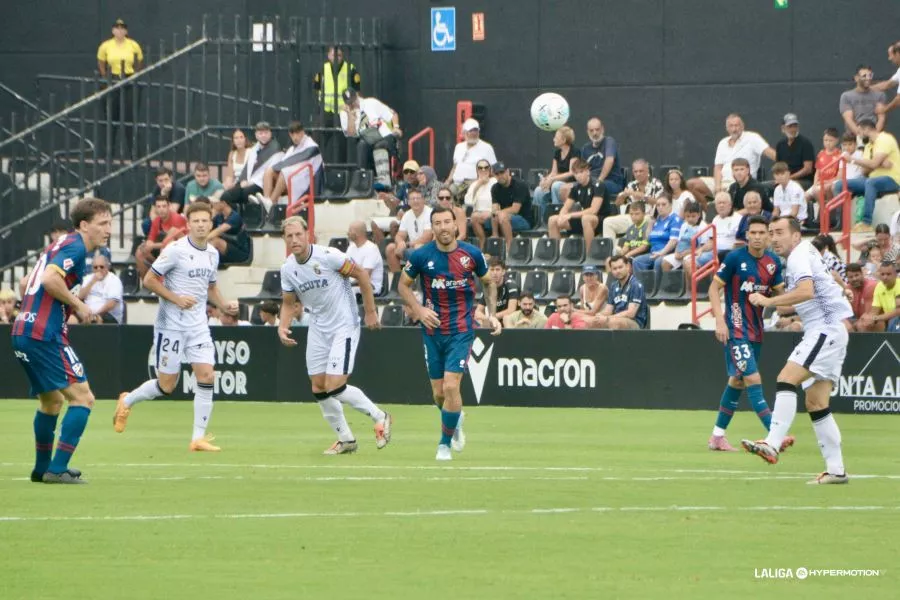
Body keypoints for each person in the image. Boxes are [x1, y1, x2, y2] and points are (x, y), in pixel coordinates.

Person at [113, 202, 237, 452]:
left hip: (198, 326)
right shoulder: (175, 250)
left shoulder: (212, 254)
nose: (201, 225)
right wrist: (177, 298)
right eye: (196, 221)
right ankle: (128, 400)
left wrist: (224, 306)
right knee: (166, 385)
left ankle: (197, 438)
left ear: (211, 223)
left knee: (207, 376)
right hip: (171, 326)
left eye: (205, 220)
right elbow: (149, 280)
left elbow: (210, 287)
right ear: (188, 224)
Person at [744, 216, 854, 485]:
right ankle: (836, 470)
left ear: (796, 236)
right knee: (816, 403)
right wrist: (770, 299)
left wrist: (768, 300)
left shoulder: (798, 254)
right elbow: (798, 299)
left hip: (825, 328)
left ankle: (773, 442)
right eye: (772, 233)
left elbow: (806, 290)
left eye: (780, 232)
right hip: (828, 329)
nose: (774, 237)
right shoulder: (802, 255)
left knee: (786, 378)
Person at [11, 198, 112, 484]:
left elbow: (26, 282)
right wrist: (77, 305)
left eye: (110, 222)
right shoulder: (75, 246)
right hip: (44, 334)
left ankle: (43, 468)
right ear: (84, 225)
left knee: (52, 401)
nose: (109, 229)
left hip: (23, 329)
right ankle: (57, 469)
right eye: (102, 223)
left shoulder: (60, 245)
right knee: (83, 398)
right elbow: (48, 280)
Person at [277, 216, 392, 454]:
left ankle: (381, 416)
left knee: (335, 385)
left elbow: (361, 275)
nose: (294, 239)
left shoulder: (328, 256)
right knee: (319, 387)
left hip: (344, 324)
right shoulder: (288, 269)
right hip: (319, 327)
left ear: (308, 234)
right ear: (284, 239)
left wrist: (370, 312)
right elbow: (288, 303)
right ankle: (346, 439)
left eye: (298, 234)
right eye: (289, 236)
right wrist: (282, 325)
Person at [398, 206, 501, 461]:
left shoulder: (471, 254)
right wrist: (419, 310)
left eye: (447, 222)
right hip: (432, 330)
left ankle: (444, 444)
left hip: (462, 330)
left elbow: (488, 281)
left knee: (451, 385)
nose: (443, 227)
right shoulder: (422, 255)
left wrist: (492, 314)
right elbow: (403, 285)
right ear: (432, 228)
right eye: (437, 223)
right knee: (439, 394)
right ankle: (455, 421)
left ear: (456, 225)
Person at [706, 216, 788, 452]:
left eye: (763, 232)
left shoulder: (774, 263)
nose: (758, 237)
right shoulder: (734, 258)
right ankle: (775, 435)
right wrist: (720, 321)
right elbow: (714, 287)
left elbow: (781, 300)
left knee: (737, 381)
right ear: (747, 235)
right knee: (752, 378)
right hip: (735, 329)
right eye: (753, 232)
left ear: (768, 235)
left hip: (757, 331)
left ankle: (717, 437)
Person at [687, 113, 775, 207]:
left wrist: (785, 168)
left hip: (741, 184)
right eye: (731, 126)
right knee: (691, 184)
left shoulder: (752, 138)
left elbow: (771, 153)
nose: (734, 129)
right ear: (727, 128)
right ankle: (707, 213)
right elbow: (718, 168)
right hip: (721, 182)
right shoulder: (722, 142)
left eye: (736, 125)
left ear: (742, 126)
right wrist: (717, 186)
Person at [833, 117, 900, 233]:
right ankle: (841, 223)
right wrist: (879, 163)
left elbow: (873, 164)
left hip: (892, 180)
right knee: (839, 185)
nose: (859, 135)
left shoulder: (885, 139)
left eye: (860, 132)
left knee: (870, 182)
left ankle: (866, 223)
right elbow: (865, 171)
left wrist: (853, 160)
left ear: (866, 129)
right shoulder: (868, 146)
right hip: (872, 179)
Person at [253, 121, 324, 212]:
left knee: (284, 172)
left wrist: (279, 169)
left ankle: (271, 201)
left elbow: (290, 162)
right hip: (293, 179)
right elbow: (283, 163)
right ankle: (266, 201)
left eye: (297, 133)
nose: (295, 137)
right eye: (292, 134)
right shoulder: (291, 149)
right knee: (269, 171)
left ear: (302, 132)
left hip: (308, 182)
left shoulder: (312, 147)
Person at [96, 19, 143, 155]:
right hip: (113, 78)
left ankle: (134, 154)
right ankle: (108, 153)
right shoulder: (106, 45)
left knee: (130, 117)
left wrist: (136, 74)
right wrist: (105, 76)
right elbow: (101, 61)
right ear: (113, 30)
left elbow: (140, 60)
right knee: (111, 117)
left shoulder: (133, 44)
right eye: (117, 28)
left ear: (126, 31)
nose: (120, 30)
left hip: (128, 78)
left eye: (122, 28)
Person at [340, 89, 400, 186]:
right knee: (361, 146)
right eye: (350, 103)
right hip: (365, 139)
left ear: (357, 96)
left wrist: (396, 127)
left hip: (383, 135)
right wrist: (350, 116)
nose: (353, 104)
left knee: (380, 145)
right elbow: (350, 134)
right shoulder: (344, 113)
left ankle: (385, 182)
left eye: (354, 101)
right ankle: (363, 181)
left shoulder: (371, 103)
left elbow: (393, 114)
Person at [313, 45, 361, 163]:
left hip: (343, 112)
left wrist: (352, 109)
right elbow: (316, 87)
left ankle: (341, 170)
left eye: (339, 55)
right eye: (334, 55)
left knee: (341, 144)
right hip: (326, 111)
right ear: (328, 56)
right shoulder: (322, 69)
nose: (336, 58)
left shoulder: (350, 68)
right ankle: (317, 165)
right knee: (318, 140)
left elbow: (356, 91)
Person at [548, 158, 607, 249]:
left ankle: (589, 255)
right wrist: (561, 216)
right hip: (583, 218)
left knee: (586, 219)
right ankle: (555, 255)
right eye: (576, 173)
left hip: (601, 220)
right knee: (553, 220)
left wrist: (570, 215)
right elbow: (566, 207)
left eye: (581, 172)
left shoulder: (598, 185)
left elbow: (594, 210)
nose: (578, 176)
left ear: (587, 172)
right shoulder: (576, 188)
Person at [220, 122, 282, 208]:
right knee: (225, 196)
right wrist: (242, 181)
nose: (263, 135)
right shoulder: (255, 148)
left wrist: (250, 182)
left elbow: (268, 172)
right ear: (256, 135)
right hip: (249, 182)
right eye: (260, 133)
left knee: (239, 194)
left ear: (270, 133)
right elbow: (247, 169)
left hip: (262, 185)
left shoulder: (275, 149)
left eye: (266, 133)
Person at [591, 255, 649, 330]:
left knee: (615, 323)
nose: (618, 271)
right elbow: (608, 310)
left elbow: (631, 313)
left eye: (620, 267)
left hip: (635, 322)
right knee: (591, 321)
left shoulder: (636, 285)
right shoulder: (613, 286)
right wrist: (599, 315)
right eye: (614, 269)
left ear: (628, 266)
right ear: (611, 270)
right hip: (615, 318)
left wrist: (607, 318)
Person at [533, 125, 578, 221]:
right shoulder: (557, 153)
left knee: (556, 186)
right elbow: (553, 172)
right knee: (538, 190)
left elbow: (572, 173)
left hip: (572, 184)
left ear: (564, 139)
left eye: (556, 137)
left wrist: (552, 180)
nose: (553, 139)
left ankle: (557, 216)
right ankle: (542, 221)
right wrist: (546, 180)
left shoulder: (575, 151)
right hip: (557, 181)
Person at [135, 196, 187, 279]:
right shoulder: (156, 220)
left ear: (169, 206)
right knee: (140, 252)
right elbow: (150, 240)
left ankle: (162, 282)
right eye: (158, 207)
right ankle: (147, 283)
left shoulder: (177, 219)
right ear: (155, 208)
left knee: (167, 248)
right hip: (162, 251)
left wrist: (152, 246)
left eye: (164, 206)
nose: (161, 209)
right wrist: (147, 246)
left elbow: (168, 243)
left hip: (181, 253)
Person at [446, 118, 497, 200]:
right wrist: (447, 181)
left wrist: (481, 181)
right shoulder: (458, 147)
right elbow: (455, 166)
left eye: (476, 130)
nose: (474, 133)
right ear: (464, 133)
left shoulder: (487, 147)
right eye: (471, 131)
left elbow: (493, 169)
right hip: (457, 184)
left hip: (476, 184)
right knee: (445, 195)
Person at [488, 162, 534, 251]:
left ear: (508, 171)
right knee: (477, 218)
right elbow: (495, 208)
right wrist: (496, 213)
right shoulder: (495, 188)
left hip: (524, 219)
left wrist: (499, 212)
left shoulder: (520, 185)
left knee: (502, 216)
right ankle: (492, 241)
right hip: (504, 218)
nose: (500, 176)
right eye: (497, 174)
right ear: (494, 175)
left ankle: (510, 247)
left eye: (502, 172)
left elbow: (515, 209)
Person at [385, 189, 433, 272]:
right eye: (412, 199)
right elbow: (400, 235)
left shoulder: (430, 213)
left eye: (418, 198)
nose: (415, 201)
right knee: (390, 248)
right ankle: (398, 279)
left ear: (423, 200)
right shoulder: (407, 215)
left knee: (417, 249)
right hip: (412, 248)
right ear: (408, 202)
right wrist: (400, 243)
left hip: (427, 248)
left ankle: (415, 280)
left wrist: (407, 245)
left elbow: (427, 237)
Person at [632, 195, 682, 272]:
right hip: (653, 253)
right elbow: (648, 239)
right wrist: (650, 224)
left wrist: (661, 253)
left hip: (668, 253)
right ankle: (642, 284)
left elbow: (673, 241)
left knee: (659, 262)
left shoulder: (675, 219)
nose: (660, 207)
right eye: (658, 205)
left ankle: (658, 284)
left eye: (663, 204)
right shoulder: (657, 220)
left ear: (670, 205)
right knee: (637, 261)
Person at [839, 65, 886, 138]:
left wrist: (873, 135)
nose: (868, 78)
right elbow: (848, 119)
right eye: (864, 76)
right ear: (856, 78)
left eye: (870, 75)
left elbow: (881, 118)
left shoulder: (880, 95)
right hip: (853, 140)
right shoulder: (846, 96)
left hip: (875, 137)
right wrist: (861, 136)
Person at [662, 201, 708, 273]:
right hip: (682, 253)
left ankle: (688, 284)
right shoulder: (684, 225)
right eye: (687, 216)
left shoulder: (703, 226)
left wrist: (686, 253)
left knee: (687, 262)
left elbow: (702, 247)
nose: (690, 219)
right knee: (665, 262)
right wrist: (677, 252)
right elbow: (679, 242)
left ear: (699, 215)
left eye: (693, 216)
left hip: (696, 253)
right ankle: (671, 284)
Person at [77, 253, 123, 324]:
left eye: (101, 267)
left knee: (96, 321)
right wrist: (92, 281)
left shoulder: (114, 280)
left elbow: (111, 304)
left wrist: (95, 315)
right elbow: (80, 297)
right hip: (87, 314)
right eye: (95, 267)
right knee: (71, 318)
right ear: (92, 268)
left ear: (107, 267)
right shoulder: (88, 278)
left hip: (108, 314)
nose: (98, 269)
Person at [773, 113, 815, 189]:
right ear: (783, 128)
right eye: (790, 126)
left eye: (795, 126)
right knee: (764, 187)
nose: (793, 129)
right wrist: (780, 178)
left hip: (804, 181)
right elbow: (778, 167)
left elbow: (808, 169)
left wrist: (789, 178)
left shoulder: (806, 143)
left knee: (789, 186)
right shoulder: (780, 144)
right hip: (784, 180)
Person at [141, 167, 187, 236]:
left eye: (166, 179)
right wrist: (156, 224)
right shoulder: (157, 189)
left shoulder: (178, 188)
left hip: (177, 218)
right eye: (160, 180)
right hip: (162, 218)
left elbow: (172, 212)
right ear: (156, 180)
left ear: (171, 178)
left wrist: (164, 195)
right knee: (146, 224)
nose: (163, 183)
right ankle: (154, 242)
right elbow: (153, 211)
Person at [207, 197, 251, 267]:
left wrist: (199, 241)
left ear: (223, 203)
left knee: (215, 241)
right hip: (227, 248)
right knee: (210, 240)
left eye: (215, 203)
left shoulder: (235, 217)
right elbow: (207, 229)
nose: (213, 205)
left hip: (240, 251)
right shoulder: (219, 216)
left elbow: (218, 231)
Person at [859, 260, 900, 332]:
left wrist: (875, 318)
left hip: (896, 319)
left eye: (888, 274)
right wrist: (869, 319)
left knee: (895, 321)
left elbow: (898, 311)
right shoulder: (879, 286)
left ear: (895, 274)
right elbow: (875, 310)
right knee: (862, 324)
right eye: (883, 274)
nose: (885, 277)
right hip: (889, 320)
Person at [346, 220, 384, 297]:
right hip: (354, 285)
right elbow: (345, 268)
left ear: (358, 233)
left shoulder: (371, 249)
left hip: (371, 287)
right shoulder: (351, 247)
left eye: (350, 230)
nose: (348, 233)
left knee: (348, 291)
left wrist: (349, 284)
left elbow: (364, 276)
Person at [475, 257, 519, 324]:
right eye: (492, 270)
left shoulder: (511, 285)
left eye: (497, 270)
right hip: (495, 320)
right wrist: (488, 318)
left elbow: (511, 310)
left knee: (506, 318)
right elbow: (478, 312)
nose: (495, 273)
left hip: (512, 321)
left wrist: (493, 317)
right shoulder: (487, 287)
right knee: (478, 319)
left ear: (503, 272)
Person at [804, 128, 842, 205]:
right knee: (804, 197)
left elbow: (839, 176)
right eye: (825, 140)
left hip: (830, 184)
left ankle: (823, 211)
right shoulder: (821, 154)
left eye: (831, 140)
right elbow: (817, 172)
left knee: (817, 192)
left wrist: (827, 182)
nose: (828, 143)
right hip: (819, 184)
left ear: (837, 140)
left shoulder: (840, 154)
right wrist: (814, 184)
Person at [465, 160, 498, 248]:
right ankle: (482, 242)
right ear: (477, 170)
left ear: (490, 169)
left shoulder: (495, 181)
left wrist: (491, 212)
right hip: (478, 214)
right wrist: (478, 185)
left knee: (475, 217)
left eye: (486, 167)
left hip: (493, 213)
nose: (483, 170)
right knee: (474, 217)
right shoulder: (474, 184)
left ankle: (483, 245)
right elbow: (468, 202)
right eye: (480, 168)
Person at [846, 263, 878, 331]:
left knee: (862, 325)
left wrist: (853, 326)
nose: (854, 279)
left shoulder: (870, 286)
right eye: (851, 277)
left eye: (857, 275)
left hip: (877, 320)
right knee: (843, 326)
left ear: (862, 274)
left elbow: (868, 315)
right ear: (847, 278)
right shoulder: (848, 289)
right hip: (859, 319)